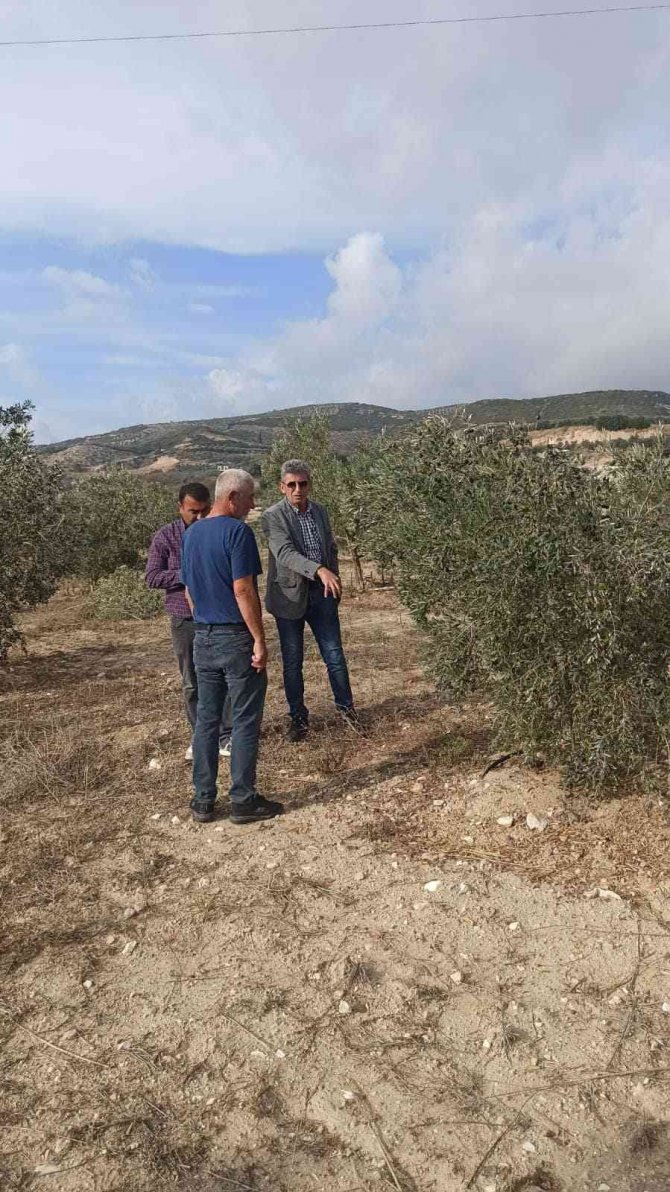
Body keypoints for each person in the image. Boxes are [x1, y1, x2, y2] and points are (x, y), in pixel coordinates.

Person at [181, 469, 283, 825]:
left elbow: (190, 591)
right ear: (232, 497)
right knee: (243, 718)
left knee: (207, 719)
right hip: (234, 637)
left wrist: (203, 623)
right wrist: (258, 638)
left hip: (203, 636)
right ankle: (242, 799)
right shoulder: (238, 533)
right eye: (250, 497)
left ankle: (202, 800)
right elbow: (243, 590)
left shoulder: (191, 534)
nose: (253, 504)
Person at [262, 459, 357, 742]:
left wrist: (333, 578)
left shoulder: (320, 512)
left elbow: (330, 547)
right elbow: (285, 553)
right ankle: (298, 719)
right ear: (282, 487)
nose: (297, 489)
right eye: (291, 484)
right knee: (293, 661)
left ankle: (347, 711)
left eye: (302, 483)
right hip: (289, 596)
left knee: (335, 656)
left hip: (323, 594)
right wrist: (319, 570)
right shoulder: (272, 516)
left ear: (309, 484)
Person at [146, 482, 232, 760]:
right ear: (180, 507)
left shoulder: (218, 531)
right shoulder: (165, 537)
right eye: (192, 511)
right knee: (191, 680)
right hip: (185, 620)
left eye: (203, 510)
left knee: (226, 676)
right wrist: (186, 574)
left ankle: (227, 736)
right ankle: (200, 736)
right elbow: (152, 577)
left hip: (218, 616)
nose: (198, 516)